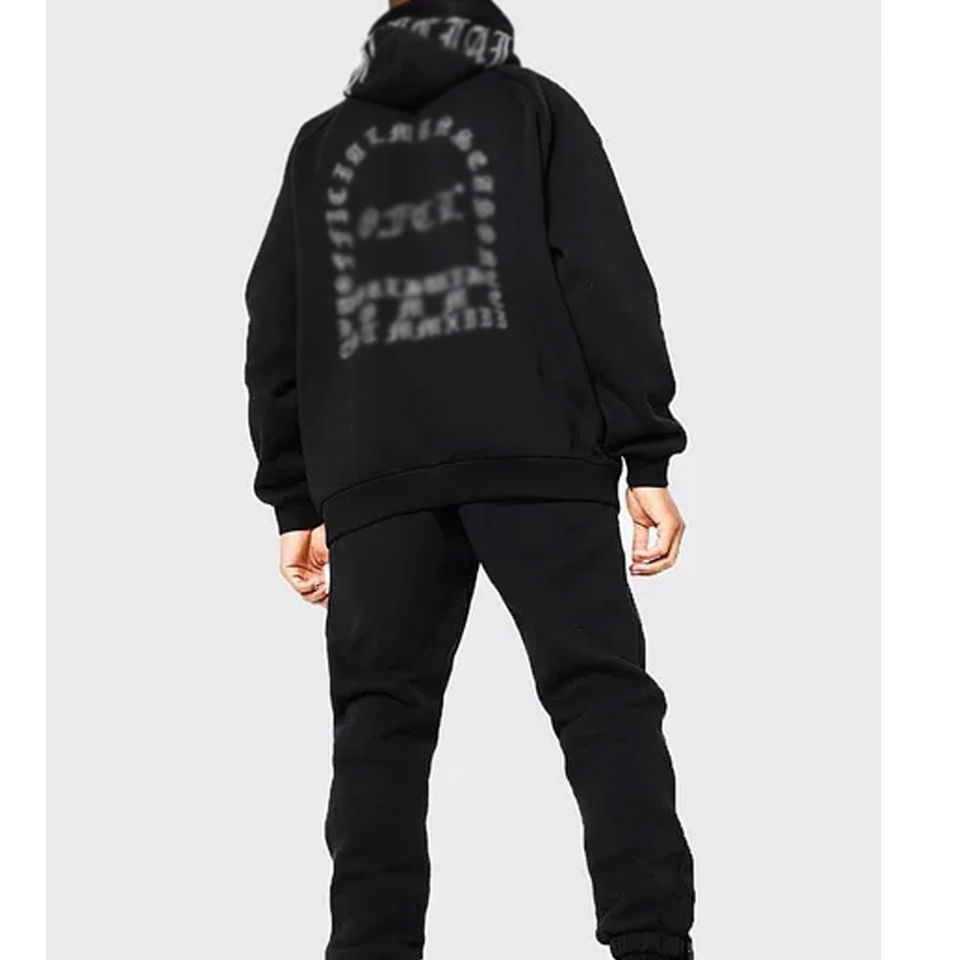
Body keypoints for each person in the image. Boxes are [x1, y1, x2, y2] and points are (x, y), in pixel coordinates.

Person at [244, 0, 695, 957]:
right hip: (539, 455)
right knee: (601, 699)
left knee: (380, 729)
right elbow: (605, 276)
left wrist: (295, 497)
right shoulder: (535, 110)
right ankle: (653, 945)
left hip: (375, 478)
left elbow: (275, 325)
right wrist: (646, 453)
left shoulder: (323, 146)